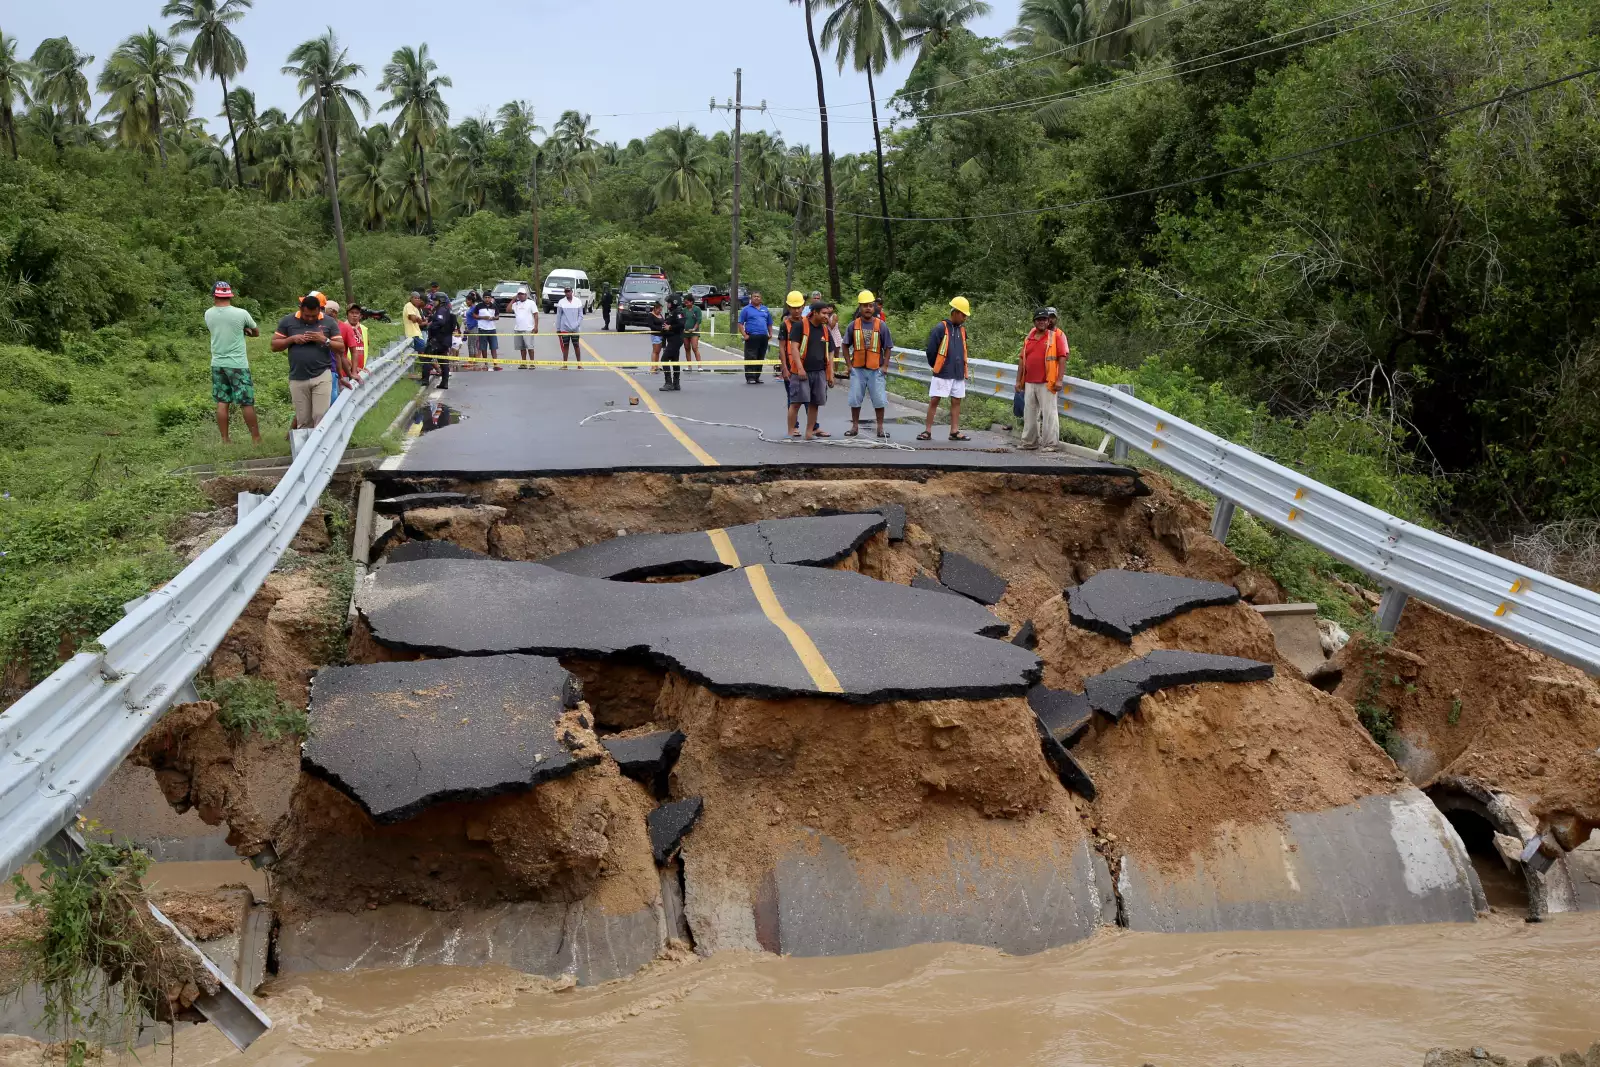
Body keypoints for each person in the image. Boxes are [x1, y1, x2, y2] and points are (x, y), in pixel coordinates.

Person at [273, 293, 344, 429]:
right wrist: (292, 339)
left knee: (320, 416)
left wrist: (324, 340)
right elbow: (274, 346)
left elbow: (341, 348)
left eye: (314, 316)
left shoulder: (329, 322)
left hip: (322, 375)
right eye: (307, 316)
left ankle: (322, 442)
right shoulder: (287, 321)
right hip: (297, 377)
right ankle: (304, 442)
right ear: (300, 309)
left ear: (319, 310)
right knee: (304, 420)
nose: (311, 319)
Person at [204, 281, 262, 445]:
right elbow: (256, 332)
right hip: (237, 364)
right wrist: (246, 331)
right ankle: (256, 439)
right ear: (230, 295)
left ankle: (225, 440)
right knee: (246, 402)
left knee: (222, 402)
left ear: (214, 295)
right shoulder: (241, 313)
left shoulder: (208, 313)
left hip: (217, 363)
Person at [779, 294, 833, 440]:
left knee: (814, 404)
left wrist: (830, 374)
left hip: (819, 372)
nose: (826, 316)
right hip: (801, 372)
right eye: (824, 313)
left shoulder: (825, 329)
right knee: (795, 403)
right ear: (814, 312)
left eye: (828, 314)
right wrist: (799, 368)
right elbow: (794, 348)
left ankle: (809, 433)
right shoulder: (799, 326)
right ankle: (791, 432)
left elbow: (830, 352)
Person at [1016, 307, 1069, 450]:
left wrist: (1059, 380)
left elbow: (1062, 358)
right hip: (1029, 381)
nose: (1042, 322)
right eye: (1039, 319)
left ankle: (1051, 444)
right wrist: (1018, 381)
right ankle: (1029, 442)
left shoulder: (1055, 337)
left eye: (1044, 319)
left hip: (1047, 382)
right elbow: (1022, 359)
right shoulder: (1029, 337)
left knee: (1049, 414)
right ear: (1034, 321)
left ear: (1048, 321)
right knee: (1029, 414)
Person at [842, 290, 893, 439]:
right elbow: (845, 345)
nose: (868, 308)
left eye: (870, 305)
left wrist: (885, 366)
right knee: (855, 398)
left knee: (879, 399)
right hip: (858, 369)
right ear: (860, 307)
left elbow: (888, 346)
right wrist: (849, 365)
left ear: (874, 307)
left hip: (876, 369)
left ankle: (880, 428)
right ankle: (854, 427)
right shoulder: (853, 325)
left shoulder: (881, 325)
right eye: (865, 306)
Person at [920, 296, 972, 441]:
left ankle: (954, 431)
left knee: (956, 401)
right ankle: (927, 431)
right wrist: (937, 366)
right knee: (935, 400)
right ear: (955, 312)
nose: (965, 318)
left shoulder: (962, 331)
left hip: (958, 372)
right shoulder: (940, 328)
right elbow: (931, 351)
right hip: (943, 372)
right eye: (963, 315)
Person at [422, 293, 456, 389]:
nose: (433, 302)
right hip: (445, 340)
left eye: (435, 300)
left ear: (441, 301)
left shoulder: (441, 310)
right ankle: (444, 383)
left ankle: (425, 381)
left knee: (427, 358)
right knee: (443, 361)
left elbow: (440, 322)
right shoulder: (446, 310)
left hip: (438, 339)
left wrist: (430, 326)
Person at [738, 290, 773, 384]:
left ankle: (757, 377)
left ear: (761, 298)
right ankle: (750, 377)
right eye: (754, 296)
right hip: (752, 336)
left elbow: (769, 323)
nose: (756, 298)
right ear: (751, 298)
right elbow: (740, 323)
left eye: (758, 296)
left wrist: (770, 333)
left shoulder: (765, 309)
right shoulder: (746, 309)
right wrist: (744, 335)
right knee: (751, 357)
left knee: (760, 357)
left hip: (763, 337)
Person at [658, 294, 687, 391]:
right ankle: (676, 384)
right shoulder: (672, 312)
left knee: (664, 359)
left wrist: (670, 327)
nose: (667, 304)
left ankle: (668, 383)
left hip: (676, 339)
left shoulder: (678, 312)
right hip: (671, 339)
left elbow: (682, 324)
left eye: (669, 303)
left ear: (674, 303)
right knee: (675, 360)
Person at [555, 286, 585, 367]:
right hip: (565, 328)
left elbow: (581, 315)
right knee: (566, 345)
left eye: (569, 291)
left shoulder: (578, 301)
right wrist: (558, 328)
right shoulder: (561, 302)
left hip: (575, 328)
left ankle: (579, 364)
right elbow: (558, 316)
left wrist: (577, 324)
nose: (567, 293)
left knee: (576, 345)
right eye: (566, 292)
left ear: (572, 292)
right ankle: (565, 364)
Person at [509, 288, 539, 368]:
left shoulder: (531, 303)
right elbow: (508, 310)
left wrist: (536, 326)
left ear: (526, 295)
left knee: (530, 347)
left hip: (528, 328)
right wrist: (513, 300)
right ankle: (524, 363)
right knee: (521, 348)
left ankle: (532, 363)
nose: (520, 296)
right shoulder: (516, 304)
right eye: (519, 294)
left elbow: (536, 314)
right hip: (518, 328)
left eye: (522, 294)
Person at [473, 291, 500, 370]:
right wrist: (483, 317)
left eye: (488, 297)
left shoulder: (494, 306)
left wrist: (493, 318)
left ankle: (495, 364)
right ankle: (486, 363)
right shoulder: (479, 306)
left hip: (492, 329)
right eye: (485, 297)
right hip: (482, 329)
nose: (487, 299)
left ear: (491, 298)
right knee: (483, 347)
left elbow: (497, 316)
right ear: (483, 298)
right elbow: (474, 315)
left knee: (494, 347)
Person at [344, 303, 369, 374]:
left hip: (361, 370)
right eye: (352, 313)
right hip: (346, 371)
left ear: (360, 316)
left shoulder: (364, 329)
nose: (354, 315)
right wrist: (354, 367)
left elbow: (365, 348)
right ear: (347, 315)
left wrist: (363, 366)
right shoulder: (342, 328)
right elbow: (340, 353)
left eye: (357, 313)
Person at [682, 294, 703, 370]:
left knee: (694, 347)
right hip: (685, 332)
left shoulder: (697, 309)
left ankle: (699, 366)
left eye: (687, 302)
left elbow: (699, 320)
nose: (686, 304)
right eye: (685, 303)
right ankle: (689, 366)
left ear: (691, 302)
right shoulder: (684, 310)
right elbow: (681, 319)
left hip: (694, 332)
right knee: (687, 348)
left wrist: (694, 329)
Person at [403, 291, 426, 357]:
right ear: (411, 298)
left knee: (423, 352)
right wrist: (417, 318)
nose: (417, 300)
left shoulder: (415, 308)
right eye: (415, 298)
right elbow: (413, 319)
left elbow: (420, 321)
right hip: (413, 334)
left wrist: (417, 318)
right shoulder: (409, 305)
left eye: (418, 298)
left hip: (417, 333)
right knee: (424, 351)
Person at [648, 300, 665, 366]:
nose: (660, 311)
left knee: (658, 352)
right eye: (659, 310)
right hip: (655, 335)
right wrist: (660, 329)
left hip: (661, 335)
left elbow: (663, 322)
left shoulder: (660, 315)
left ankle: (656, 365)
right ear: (655, 308)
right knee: (655, 351)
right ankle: (653, 366)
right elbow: (651, 325)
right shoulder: (651, 315)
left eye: (661, 310)